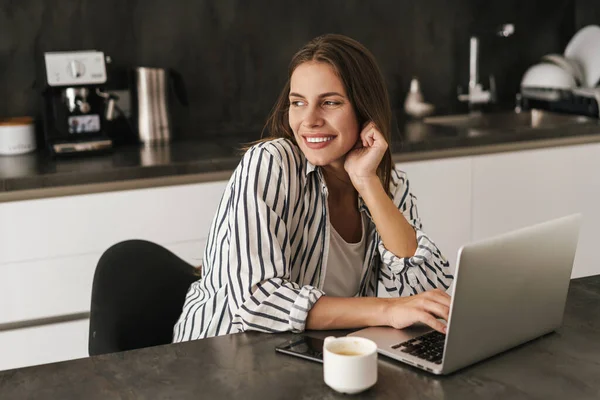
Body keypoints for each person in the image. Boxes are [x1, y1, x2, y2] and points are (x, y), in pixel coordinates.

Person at [173, 34, 453, 342]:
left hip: (307, 355)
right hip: (219, 355)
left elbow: (426, 297)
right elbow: (256, 301)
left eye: (330, 102)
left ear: (364, 109)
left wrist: (367, 183)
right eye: (298, 103)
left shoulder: (389, 184)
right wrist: (385, 310)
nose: (308, 120)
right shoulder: (271, 164)